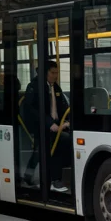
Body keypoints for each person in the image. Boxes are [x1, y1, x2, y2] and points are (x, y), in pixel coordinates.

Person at [22, 61, 71, 194]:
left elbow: (63, 106)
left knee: (41, 150)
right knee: (56, 143)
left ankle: (28, 176)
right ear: (45, 73)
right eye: (52, 73)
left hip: (55, 124)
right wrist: (49, 123)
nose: (55, 76)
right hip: (39, 125)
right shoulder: (34, 86)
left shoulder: (56, 87)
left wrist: (67, 121)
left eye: (57, 73)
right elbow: (31, 110)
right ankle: (55, 179)